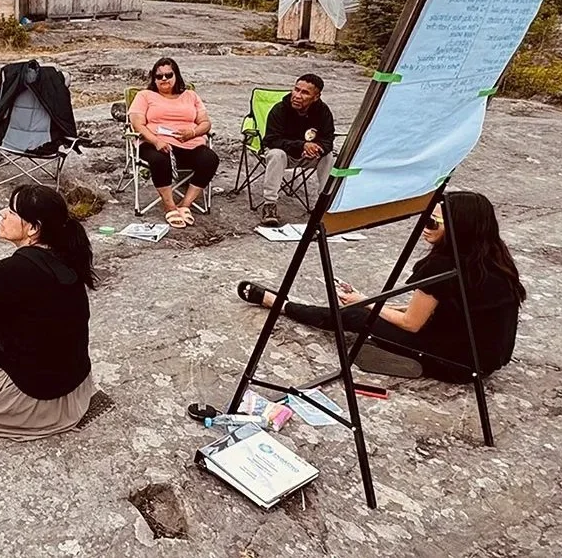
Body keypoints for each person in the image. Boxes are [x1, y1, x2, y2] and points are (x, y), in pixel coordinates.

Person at [236, 190, 524, 382]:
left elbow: (412, 323)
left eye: (433, 223)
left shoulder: (441, 267)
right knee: (371, 310)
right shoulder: (496, 260)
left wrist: (366, 303)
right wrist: (378, 301)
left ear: (459, 230)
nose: (425, 226)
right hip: (486, 360)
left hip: (455, 363)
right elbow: (440, 307)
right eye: (425, 219)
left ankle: (279, 304)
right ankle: (383, 345)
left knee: (355, 317)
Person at [0, 185, 97, 441]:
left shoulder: (10, 269)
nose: (2, 214)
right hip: (74, 390)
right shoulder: (68, 257)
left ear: (33, 228)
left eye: (11, 212)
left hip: (36, 400)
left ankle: (6, 415)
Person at [128, 57, 218, 228]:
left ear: (176, 75)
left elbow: (206, 123)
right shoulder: (145, 96)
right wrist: (156, 141)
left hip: (190, 143)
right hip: (154, 143)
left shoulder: (190, 96)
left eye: (168, 75)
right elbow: (137, 124)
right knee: (160, 159)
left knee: (210, 159)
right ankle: (169, 206)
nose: (164, 79)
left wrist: (192, 132)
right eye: (158, 76)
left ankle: (185, 205)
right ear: (153, 79)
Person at [258, 73, 337, 228]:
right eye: (296, 90)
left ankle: (324, 206)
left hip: (309, 156)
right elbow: (271, 140)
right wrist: (301, 145)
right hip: (285, 155)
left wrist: (318, 149)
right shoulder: (280, 109)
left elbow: (328, 139)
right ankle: (269, 205)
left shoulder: (322, 111)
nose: (297, 95)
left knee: (328, 157)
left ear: (316, 97)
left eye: (305, 92)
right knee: (275, 154)